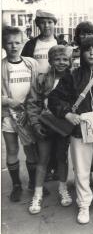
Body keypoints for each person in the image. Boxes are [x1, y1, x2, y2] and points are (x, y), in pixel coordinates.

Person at [48, 36, 93, 224]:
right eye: (87, 49)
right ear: (80, 53)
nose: (91, 52)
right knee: (81, 170)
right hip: (78, 132)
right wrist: (67, 114)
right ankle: (83, 205)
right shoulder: (72, 76)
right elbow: (54, 99)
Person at [26, 45, 74, 214]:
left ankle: (63, 188)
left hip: (63, 126)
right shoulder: (42, 79)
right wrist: (36, 124)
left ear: (70, 61)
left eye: (65, 59)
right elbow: (32, 103)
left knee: (62, 157)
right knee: (43, 159)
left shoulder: (72, 79)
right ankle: (37, 194)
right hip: (45, 125)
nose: (61, 62)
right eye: (57, 59)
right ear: (50, 60)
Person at [1, 26, 39, 202]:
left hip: (28, 115)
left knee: (31, 149)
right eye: (9, 43)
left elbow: (38, 88)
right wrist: (8, 101)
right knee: (12, 149)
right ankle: (16, 185)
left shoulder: (30, 63)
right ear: (3, 44)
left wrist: (32, 107)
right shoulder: (1, 66)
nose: (14, 46)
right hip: (9, 115)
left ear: (23, 42)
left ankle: (33, 182)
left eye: (17, 42)